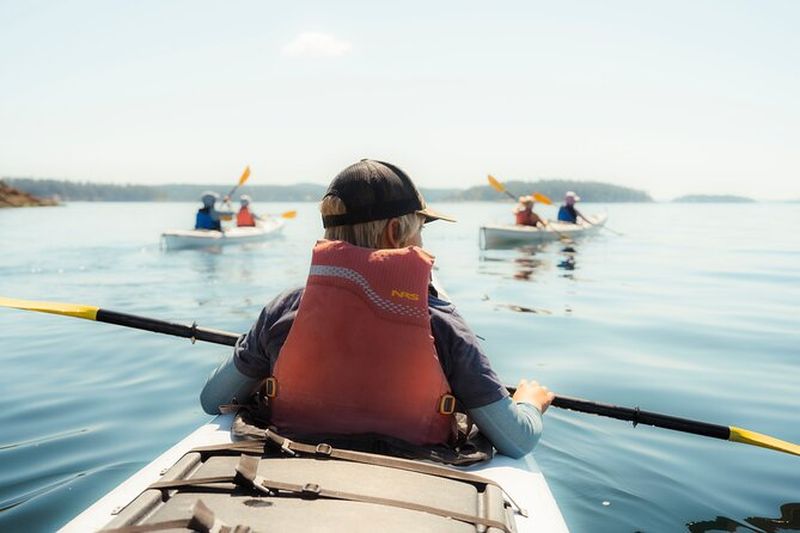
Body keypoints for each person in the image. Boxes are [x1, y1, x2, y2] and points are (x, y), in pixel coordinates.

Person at [200, 159, 555, 458]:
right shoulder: (441, 324)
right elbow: (517, 440)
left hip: (297, 455)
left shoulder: (283, 311)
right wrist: (528, 403)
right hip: (408, 470)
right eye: (421, 228)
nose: (422, 240)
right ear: (395, 232)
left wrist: (268, 363)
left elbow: (213, 399)